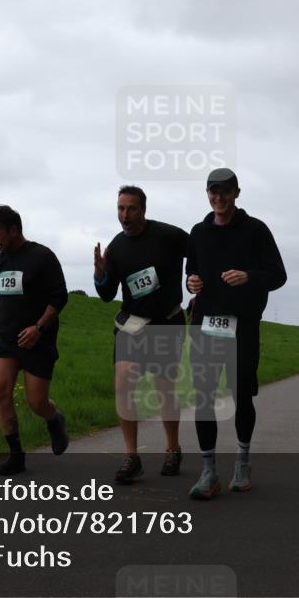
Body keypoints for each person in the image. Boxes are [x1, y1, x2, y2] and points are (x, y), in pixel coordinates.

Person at [185, 168, 286, 499]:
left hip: (242, 325)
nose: (219, 197)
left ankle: (242, 463)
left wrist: (249, 277)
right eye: (213, 191)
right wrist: (191, 283)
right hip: (207, 324)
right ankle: (209, 471)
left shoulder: (256, 230)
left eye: (225, 191)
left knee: (241, 395)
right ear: (207, 193)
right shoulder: (198, 232)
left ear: (237, 193)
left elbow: (278, 275)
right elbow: (192, 273)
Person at [94, 186, 188, 483]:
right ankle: (132, 456)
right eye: (121, 209)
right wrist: (100, 274)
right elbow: (108, 294)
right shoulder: (117, 247)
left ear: (143, 210)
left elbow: (198, 254)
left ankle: (173, 448)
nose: (125, 215)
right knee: (123, 383)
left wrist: (198, 281)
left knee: (164, 389)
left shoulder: (168, 235)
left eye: (131, 209)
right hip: (132, 324)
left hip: (166, 322)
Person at [0, 205, 69, 475]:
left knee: (36, 402)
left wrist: (38, 328)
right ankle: (16, 456)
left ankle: (54, 419)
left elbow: (59, 297)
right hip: (6, 340)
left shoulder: (42, 256)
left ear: (14, 230)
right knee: (0, 391)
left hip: (38, 340)